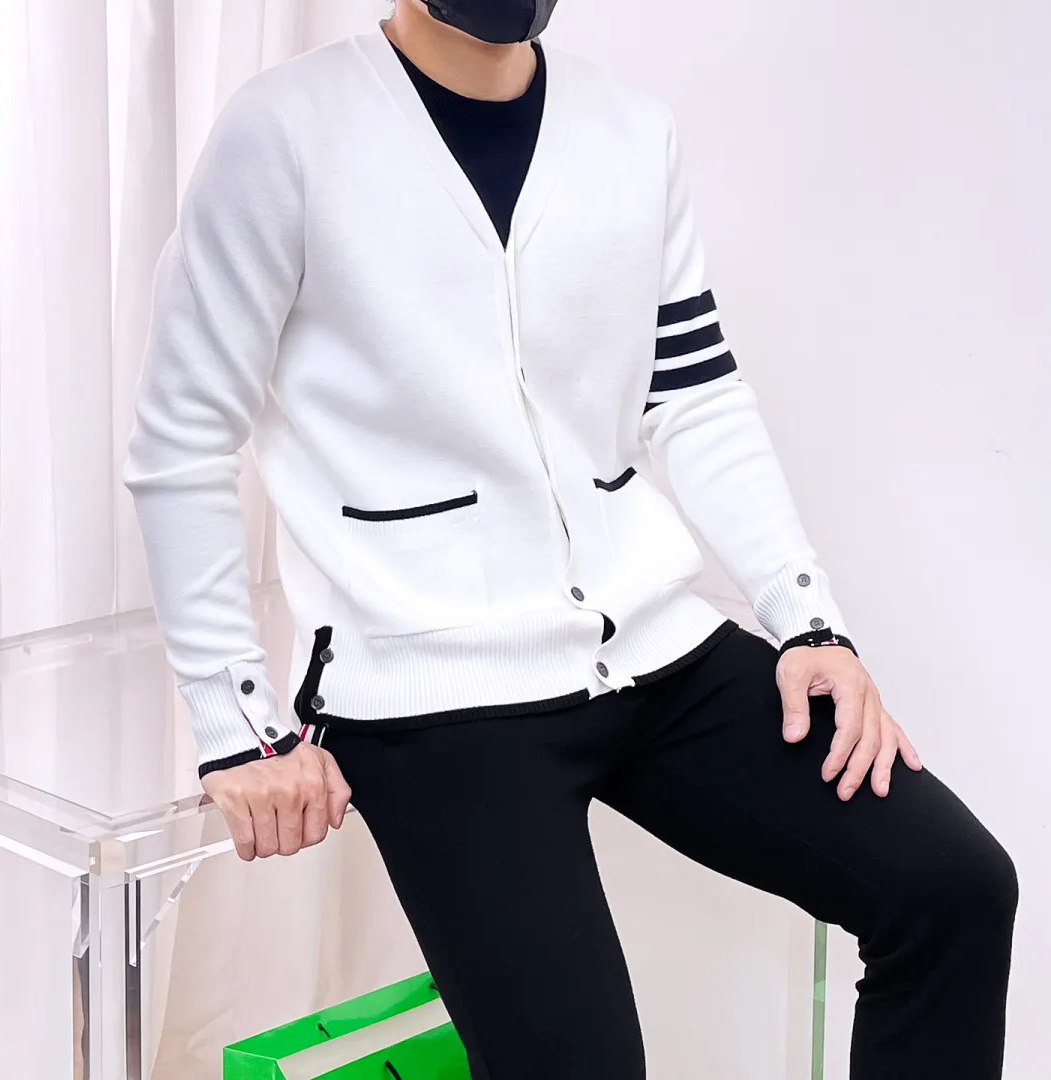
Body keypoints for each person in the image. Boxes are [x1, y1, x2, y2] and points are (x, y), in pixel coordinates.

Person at [122, 2, 1017, 1077]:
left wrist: (808, 620)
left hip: (651, 646)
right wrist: (238, 728)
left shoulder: (631, 130)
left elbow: (695, 396)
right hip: (430, 690)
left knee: (953, 891)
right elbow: (181, 437)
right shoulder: (282, 133)